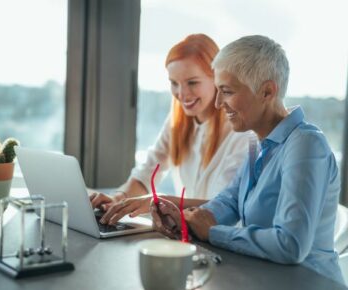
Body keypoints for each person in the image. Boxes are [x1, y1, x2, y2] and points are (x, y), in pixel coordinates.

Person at [151, 35, 344, 285]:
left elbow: (290, 245)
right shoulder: (258, 144)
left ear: (267, 91)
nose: (219, 103)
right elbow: (230, 202)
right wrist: (183, 219)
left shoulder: (305, 145)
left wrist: (213, 232)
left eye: (227, 91)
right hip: (264, 278)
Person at [90, 34, 251, 225]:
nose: (181, 94)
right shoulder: (179, 121)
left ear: (217, 79)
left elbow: (227, 206)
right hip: (189, 235)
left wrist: (163, 202)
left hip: (223, 238)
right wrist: (118, 198)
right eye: (174, 83)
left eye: (192, 82)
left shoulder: (240, 132)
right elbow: (148, 170)